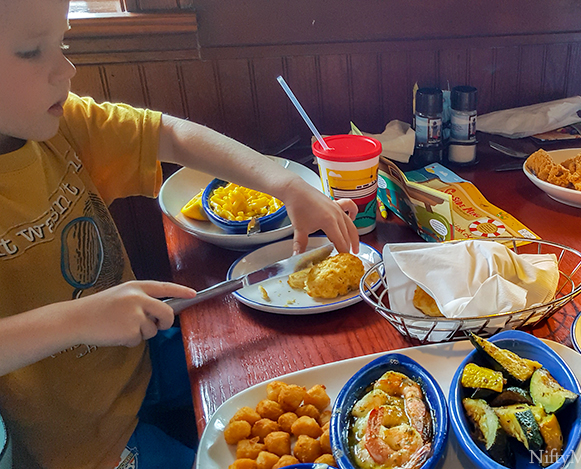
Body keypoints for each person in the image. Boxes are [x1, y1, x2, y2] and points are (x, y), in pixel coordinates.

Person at [0, 0, 360, 467]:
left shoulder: (63, 125)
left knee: (283, 366)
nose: (66, 68)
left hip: (143, 363)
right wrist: (78, 320)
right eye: (31, 51)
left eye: (63, 43)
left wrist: (285, 182)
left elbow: (169, 134)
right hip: (87, 447)